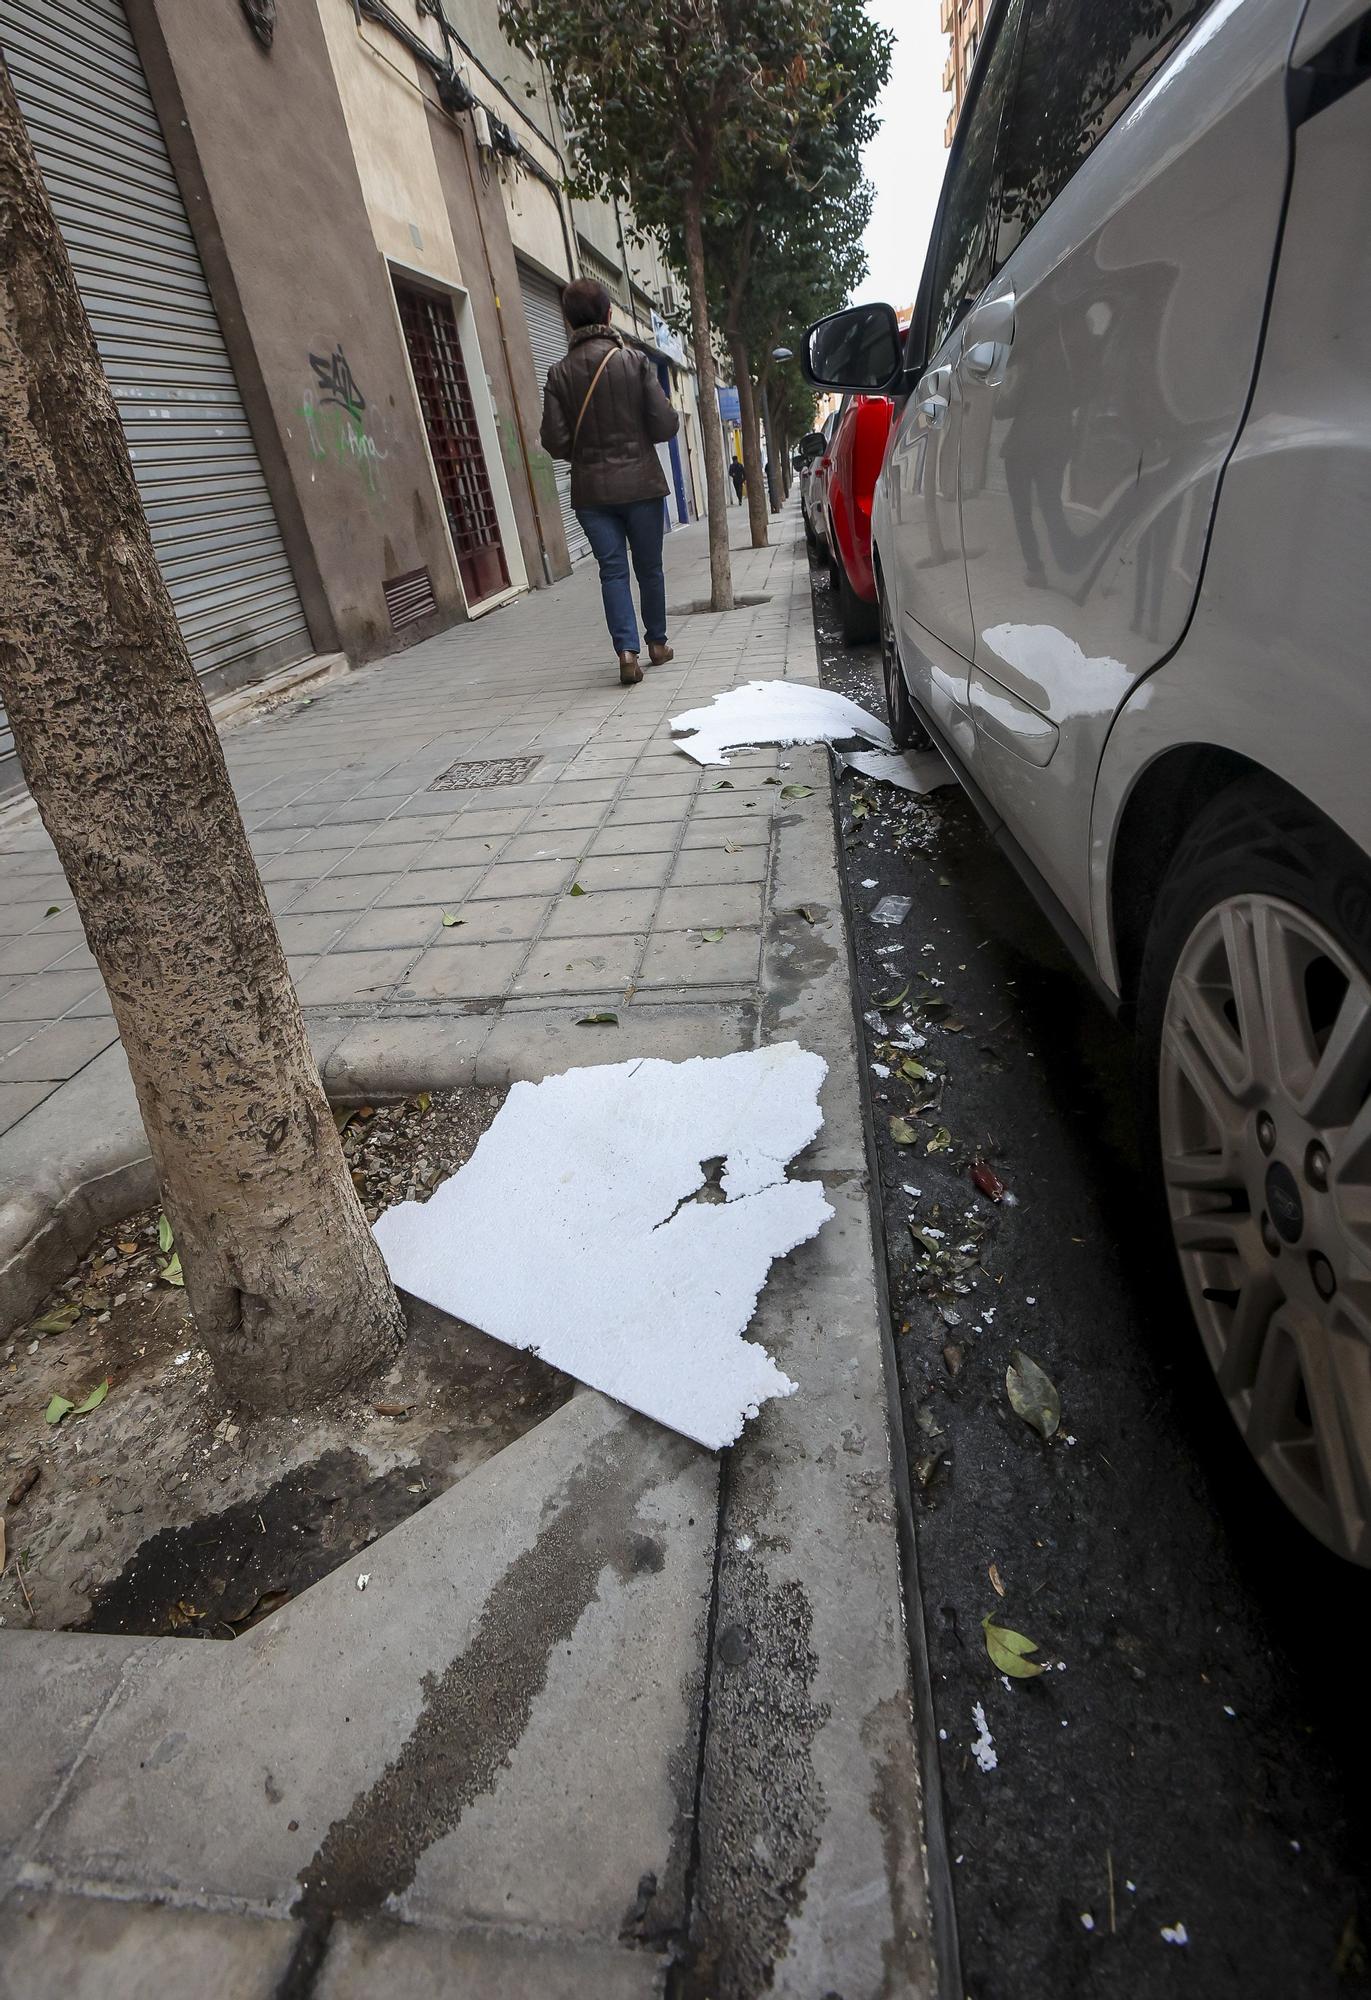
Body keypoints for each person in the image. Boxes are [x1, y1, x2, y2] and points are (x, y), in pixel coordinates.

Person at [539, 278, 680, 686]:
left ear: (567, 321)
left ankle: (626, 650)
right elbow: (667, 423)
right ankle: (657, 644)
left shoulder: (558, 373)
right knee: (649, 568)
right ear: (608, 314)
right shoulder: (633, 361)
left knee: (612, 571)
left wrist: (587, 455)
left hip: (591, 491)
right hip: (641, 485)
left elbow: (553, 439)